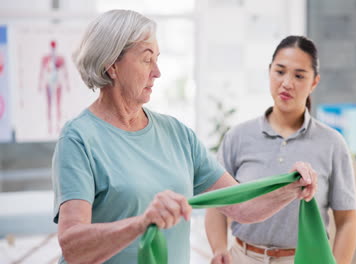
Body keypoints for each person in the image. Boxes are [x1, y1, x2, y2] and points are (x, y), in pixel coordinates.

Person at [52, 10, 318, 264]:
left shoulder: (177, 135)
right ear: (112, 66)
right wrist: (141, 223)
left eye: (158, 58)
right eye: (147, 59)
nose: (157, 71)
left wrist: (291, 188)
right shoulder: (79, 139)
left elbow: (242, 206)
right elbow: (73, 247)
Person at [205, 36, 356, 264]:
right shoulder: (237, 137)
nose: (287, 83)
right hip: (242, 257)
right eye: (280, 71)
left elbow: (347, 220)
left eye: (299, 75)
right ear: (269, 72)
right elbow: (217, 204)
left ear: (314, 82)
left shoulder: (333, 144)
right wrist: (219, 250)